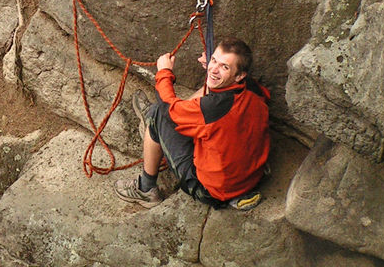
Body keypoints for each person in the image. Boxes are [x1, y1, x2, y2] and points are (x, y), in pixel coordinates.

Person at [113, 37, 270, 211]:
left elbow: (167, 108)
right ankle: (161, 131)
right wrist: (217, 70)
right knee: (211, 89)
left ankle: (145, 188)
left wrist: (164, 72)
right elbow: (222, 95)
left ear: (240, 75)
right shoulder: (252, 88)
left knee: (158, 114)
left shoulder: (213, 108)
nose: (214, 69)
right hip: (250, 177)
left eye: (224, 67)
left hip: (212, 190)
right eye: (214, 60)